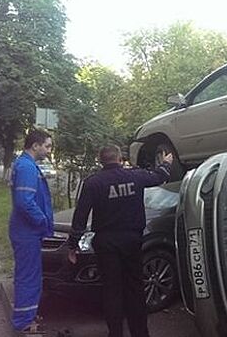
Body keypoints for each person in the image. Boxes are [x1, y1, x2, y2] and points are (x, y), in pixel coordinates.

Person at [67, 144, 172, 337]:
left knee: (111, 291)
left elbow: (80, 216)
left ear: (101, 160)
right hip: (132, 241)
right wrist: (166, 163)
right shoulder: (135, 176)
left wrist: (73, 246)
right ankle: (140, 333)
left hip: (106, 243)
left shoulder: (93, 182)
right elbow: (159, 177)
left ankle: (115, 333)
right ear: (119, 159)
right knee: (135, 288)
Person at [9, 129, 54, 333]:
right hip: (27, 231)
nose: (49, 150)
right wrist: (42, 220)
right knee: (29, 277)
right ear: (35, 145)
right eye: (47, 145)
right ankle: (25, 323)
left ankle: (27, 316)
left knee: (27, 274)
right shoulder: (27, 167)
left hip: (25, 230)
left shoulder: (25, 164)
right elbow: (24, 202)